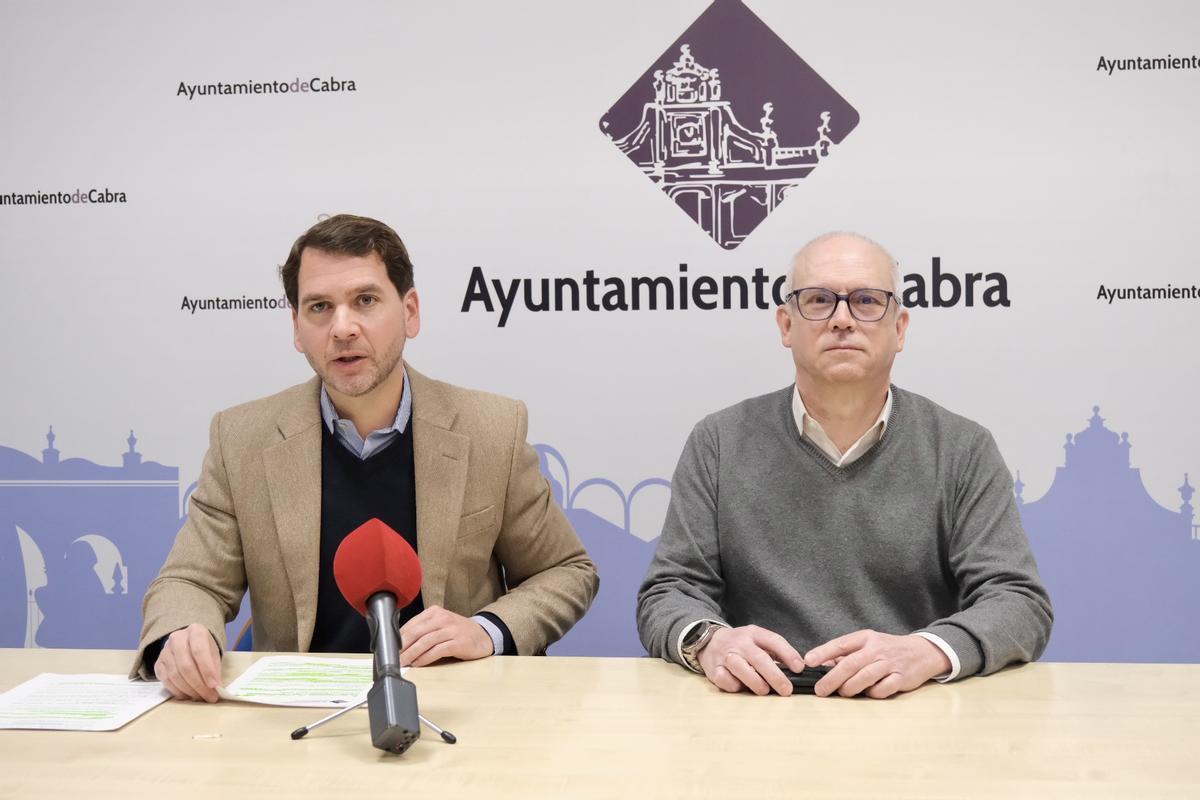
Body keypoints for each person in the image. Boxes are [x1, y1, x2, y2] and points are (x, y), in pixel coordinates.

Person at [134, 214, 598, 700]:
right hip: (297, 715)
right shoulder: (242, 439)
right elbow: (190, 581)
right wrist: (184, 633)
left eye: (365, 301)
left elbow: (565, 570)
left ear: (410, 311)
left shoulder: (491, 430)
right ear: (297, 328)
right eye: (319, 307)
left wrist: (487, 629)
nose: (342, 328)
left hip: (456, 705)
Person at [636, 232, 1052, 699]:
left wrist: (926, 652)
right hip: (755, 715)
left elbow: (1019, 602)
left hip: (912, 715)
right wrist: (710, 642)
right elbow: (668, 591)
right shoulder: (718, 441)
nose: (841, 320)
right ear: (786, 325)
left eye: (866, 301)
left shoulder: (962, 447)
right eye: (818, 300)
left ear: (900, 328)